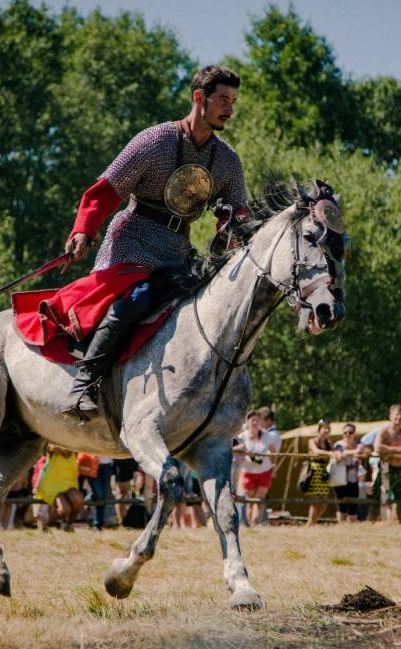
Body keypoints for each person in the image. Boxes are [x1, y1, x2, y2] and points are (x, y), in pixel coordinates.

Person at [47, 65, 247, 418]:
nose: (229, 108)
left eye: (233, 101)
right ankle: (83, 385)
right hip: (133, 239)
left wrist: (233, 236)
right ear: (199, 98)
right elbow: (107, 190)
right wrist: (83, 230)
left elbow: (236, 215)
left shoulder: (227, 161)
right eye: (222, 100)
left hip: (178, 250)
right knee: (136, 299)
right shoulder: (156, 141)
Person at [233, 409, 278, 527]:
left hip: (264, 471)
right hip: (248, 472)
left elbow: (274, 452)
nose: (254, 422)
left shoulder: (266, 435)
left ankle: (256, 523)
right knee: (250, 499)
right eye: (252, 420)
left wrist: (273, 466)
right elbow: (232, 448)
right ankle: (250, 524)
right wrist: (242, 450)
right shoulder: (242, 437)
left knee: (260, 498)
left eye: (257, 420)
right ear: (247, 422)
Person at [375, 405, 401, 523]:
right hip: (386, 468)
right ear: (390, 416)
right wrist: (398, 450)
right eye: (396, 415)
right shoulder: (384, 431)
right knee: (381, 496)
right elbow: (378, 447)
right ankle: (376, 521)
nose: (399, 418)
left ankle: (400, 522)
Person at [34, 445, 85, 531]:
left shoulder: (75, 451)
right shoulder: (53, 450)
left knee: (79, 500)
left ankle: (68, 525)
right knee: (65, 510)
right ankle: (46, 523)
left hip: (69, 484)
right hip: (52, 486)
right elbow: (47, 447)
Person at [330, 424, 364, 523]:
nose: (348, 435)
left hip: (353, 478)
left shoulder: (358, 443)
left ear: (354, 434)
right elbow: (339, 455)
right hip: (340, 477)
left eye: (350, 432)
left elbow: (366, 451)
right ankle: (341, 527)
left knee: (353, 504)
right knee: (342, 505)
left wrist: (361, 450)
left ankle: (351, 528)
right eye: (345, 433)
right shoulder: (339, 444)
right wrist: (355, 451)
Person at [303, 419, 335, 525]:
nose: (326, 430)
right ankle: (310, 523)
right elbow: (316, 452)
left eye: (328, 428)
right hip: (315, 471)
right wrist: (329, 454)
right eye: (324, 428)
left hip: (325, 472)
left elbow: (333, 453)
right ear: (319, 429)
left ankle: (312, 522)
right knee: (315, 501)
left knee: (324, 502)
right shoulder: (312, 441)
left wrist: (330, 453)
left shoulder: (329, 443)